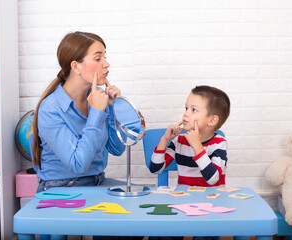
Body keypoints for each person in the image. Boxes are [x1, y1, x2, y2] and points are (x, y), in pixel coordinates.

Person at [32, 31, 126, 193]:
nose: (106, 64)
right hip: (61, 188)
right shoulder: (50, 108)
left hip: (97, 182)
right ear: (76, 66)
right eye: (98, 58)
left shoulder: (98, 98)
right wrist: (96, 113)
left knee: (139, 200)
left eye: (105, 57)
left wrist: (113, 108)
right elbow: (78, 165)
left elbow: (117, 149)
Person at [148, 85, 230, 240]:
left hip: (210, 205)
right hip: (182, 201)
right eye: (186, 108)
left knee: (204, 237)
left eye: (193, 110)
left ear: (212, 120)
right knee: (161, 234)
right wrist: (165, 140)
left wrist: (197, 146)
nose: (185, 113)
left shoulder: (219, 143)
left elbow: (213, 179)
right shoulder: (180, 140)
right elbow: (155, 169)